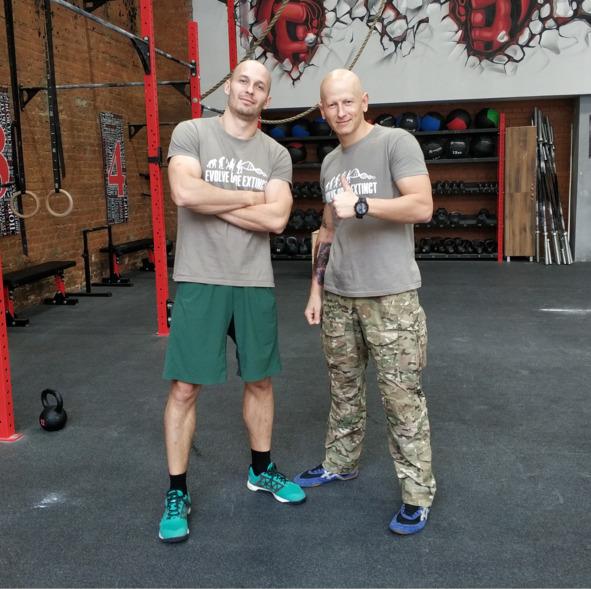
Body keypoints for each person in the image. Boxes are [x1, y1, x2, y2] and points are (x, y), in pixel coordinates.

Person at [159, 60, 306, 544]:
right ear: (228, 86)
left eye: (260, 86)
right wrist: (251, 198)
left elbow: (278, 219)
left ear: (267, 99)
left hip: (253, 279)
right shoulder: (192, 132)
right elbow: (184, 191)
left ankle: (261, 470)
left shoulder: (276, 154)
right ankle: (177, 491)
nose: (250, 89)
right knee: (185, 388)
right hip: (200, 277)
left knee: (260, 380)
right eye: (243, 80)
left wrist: (214, 198)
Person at [294, 69, 436, 535]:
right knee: (344, 389)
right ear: (322, 110)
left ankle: (417, 495)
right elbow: (327, 230)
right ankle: (341, 462)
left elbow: (422, 206)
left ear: (364, 101)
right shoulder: (330, 163)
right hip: (339, 296)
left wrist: (363, 204)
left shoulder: (396, 143)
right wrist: (316, 288)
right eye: (332, 104)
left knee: (401, 398)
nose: (341, 111)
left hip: (390, 297)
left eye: (348, 101)